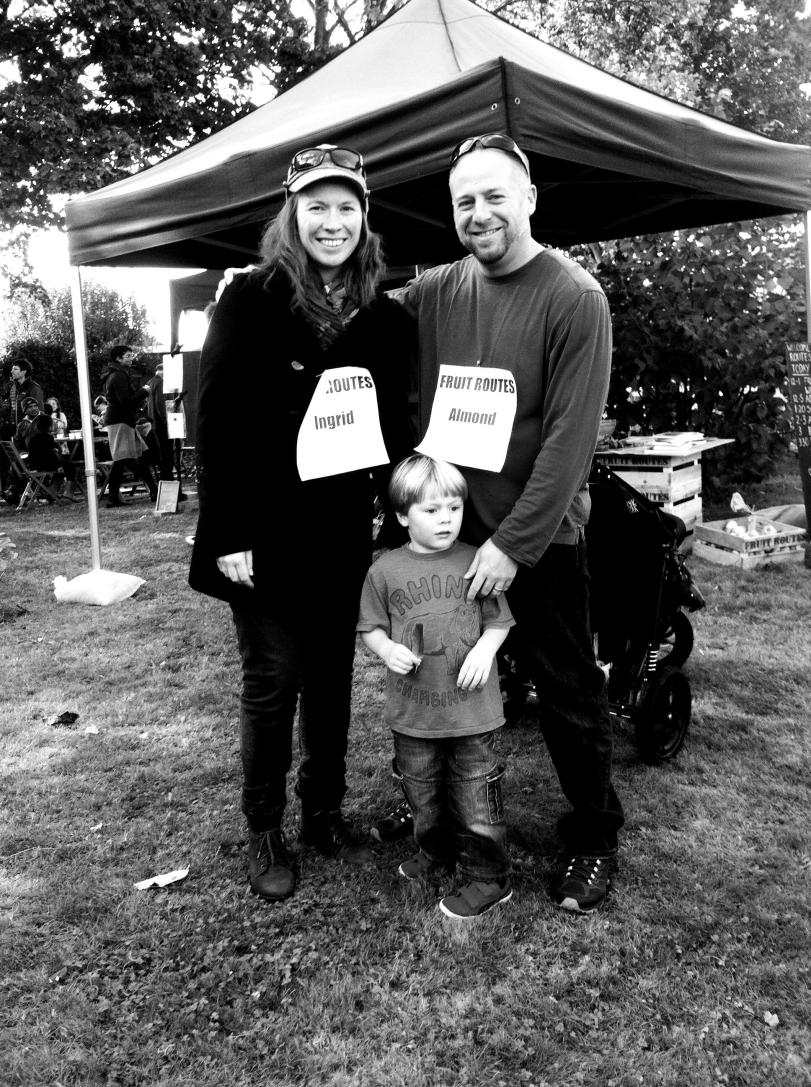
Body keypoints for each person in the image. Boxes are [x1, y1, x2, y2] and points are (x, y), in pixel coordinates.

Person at [397, 133, 625, 914]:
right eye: (464, 200)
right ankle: (452, 820)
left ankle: (594, 832)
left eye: (495, 195)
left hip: (535, 544)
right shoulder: (433, 293)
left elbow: (568, 445)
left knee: (566, 694)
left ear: (529, 199)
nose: (479, 212)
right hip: (451, 536)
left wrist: (510, 544)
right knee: (446, 686)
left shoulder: (572, 297)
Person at [188, 144, 413, 903]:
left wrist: (404, 507)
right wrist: (226, 535)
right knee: (272, 679)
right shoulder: (248, 299)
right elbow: (213, 422)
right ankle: (264, 823)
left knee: (329, 680)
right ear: (291, 215)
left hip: (339, 531)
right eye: (316, 206)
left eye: (346, 206)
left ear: (364, 219)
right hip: (263, 530)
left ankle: (323, 812)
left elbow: (394, 426)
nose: (332, 220)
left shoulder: (384, 315)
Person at [358, 454, 515, 920]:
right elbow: (370, 628)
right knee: (421, 794)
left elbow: (499, 622)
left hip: (472, 713)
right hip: (413, 713)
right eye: (431, 510)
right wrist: (387, 651)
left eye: (454, 507)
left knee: (475, 796)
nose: (445, 518)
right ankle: (436, 851)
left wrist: (486, 651)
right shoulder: (384, 571)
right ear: (403, 516)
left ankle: (490, 876)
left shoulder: (476, 560)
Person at [100, 345, 158, 508]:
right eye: (127, 355)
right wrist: (144, 391)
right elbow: (126, 402)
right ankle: (151, 490)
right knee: (126, 459)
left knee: (137, 456)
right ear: (118, 358)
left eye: (131, 355)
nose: (131, 358)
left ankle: (152, 490)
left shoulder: (117, 374)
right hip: (120, 421)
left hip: (122, 420)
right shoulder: (118, 376)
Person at [8, 361, 44, 427]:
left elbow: (39, 411)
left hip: (29, 431)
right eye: (12, 369)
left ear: (24, 372)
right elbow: (11, 408)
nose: (12, 371)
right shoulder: (13, 388)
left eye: (15, 369)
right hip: (16, 431)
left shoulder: (34, 387)